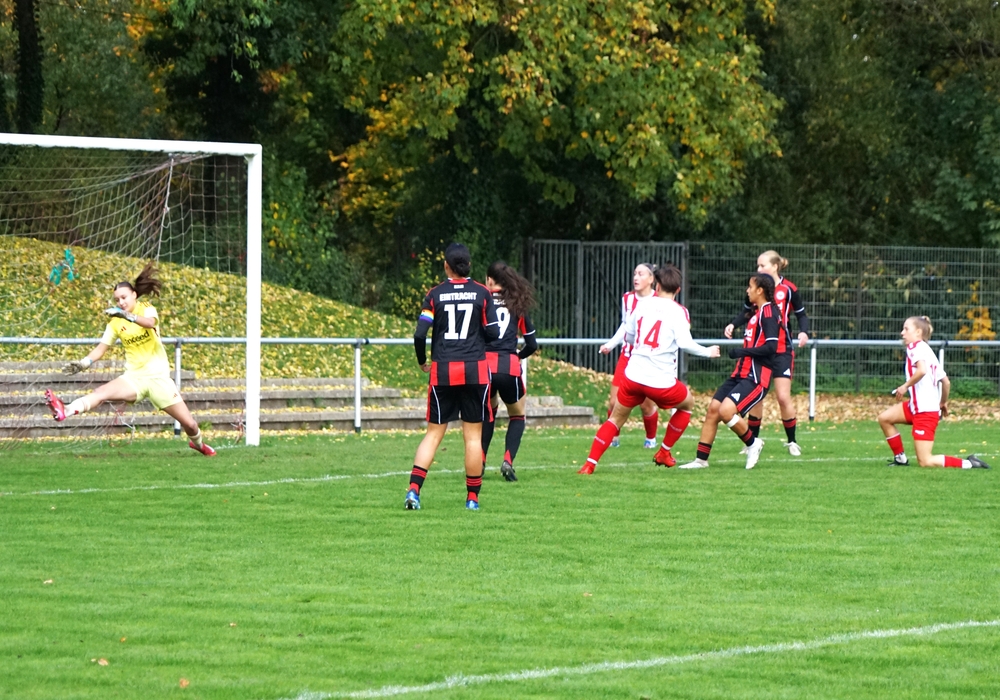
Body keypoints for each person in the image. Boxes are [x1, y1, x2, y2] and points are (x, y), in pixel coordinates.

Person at [44, 263, 216, 456]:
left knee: (190, 425)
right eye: (117, 300)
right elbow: (101, 348)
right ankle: (66, 410)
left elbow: (150, 323)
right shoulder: (115, 321)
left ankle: (199, 444)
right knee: (100, 392)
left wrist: (127, 315)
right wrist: (84, 363)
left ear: (134, 295)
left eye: (124, 297)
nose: (121, 302)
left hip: (158, 379)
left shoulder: (146, 308)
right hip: (134, 378)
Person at [579, 264, 720, 475]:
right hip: (660, 381)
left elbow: (629, 336)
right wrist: (708, 352)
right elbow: (685, 343)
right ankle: (664, 452)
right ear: (678, 290)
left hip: (633, 376)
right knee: (687, 404)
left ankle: (589, 464)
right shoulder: (679, 311)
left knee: (615, 419)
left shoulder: (642, 305)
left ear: (657, 285)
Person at [406, 243, 502, 511]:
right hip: (474, 370)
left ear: (446, 266)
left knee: (433, 435)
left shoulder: (435, 294)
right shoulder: (482, 293)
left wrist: (422, 361)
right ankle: (472, 499)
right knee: (472, 437)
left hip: (443, 370)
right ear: (469, 265)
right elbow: (494, 333)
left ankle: (414, 491)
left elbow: (419, 334)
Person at [679, 273, 778, 470]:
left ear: (760, 291)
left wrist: (742, 351)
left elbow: (771, 347)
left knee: (726, 411)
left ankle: (753, 443)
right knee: (713, 410)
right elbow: (744, 313)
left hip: (756, 376)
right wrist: (733, 324)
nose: (747, 290)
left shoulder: (769, 313)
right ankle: (701, 460)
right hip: (740, 373)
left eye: (750, 287)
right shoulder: (756, 312)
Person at [725, 250, 810, 456]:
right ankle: (751, 443)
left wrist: (804, 332)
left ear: (775, 266)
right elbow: (747, 312)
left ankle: (792, 441)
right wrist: (733, 324)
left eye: (762, 265)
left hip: (781, 351)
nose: (759, 269)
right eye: (758, 265)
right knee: (757, 396)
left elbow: (801, 314)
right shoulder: (756, 288)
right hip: (760, 351)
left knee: (783, 397)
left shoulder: (788, 289)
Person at [877, 316, 989, 469]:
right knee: (884, 418)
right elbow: (946, 382)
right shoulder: (927, 350)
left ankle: (970, 463)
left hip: (925, 411)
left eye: (906, 329)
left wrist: (905, 386)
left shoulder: (915, 347)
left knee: (925, 461)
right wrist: (942, 402)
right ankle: (901, 459)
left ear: (918, 332)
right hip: (916, 406)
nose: (902, 333)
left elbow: (922, 371)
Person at [481, 261, 538, 483]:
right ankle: (507, 460)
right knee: (517, 415)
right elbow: (532, 344)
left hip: (484, 367)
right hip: (509, 367)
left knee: (488, 414)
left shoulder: (481, 300)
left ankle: (480, 460)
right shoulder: (516, 303)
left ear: (489, 280)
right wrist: (518, 356)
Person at [600, 263, 661, 449]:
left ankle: (650, 439)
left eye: (641, 274)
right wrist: (610, 344)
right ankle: (613, 438)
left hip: (648, 359)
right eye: (635, 273)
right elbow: (626, 325)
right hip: (627, 357)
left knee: (646, 405)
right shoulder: (627, 298)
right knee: (614, 401)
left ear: (651, 279)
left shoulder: (659, 300)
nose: (636, 277)